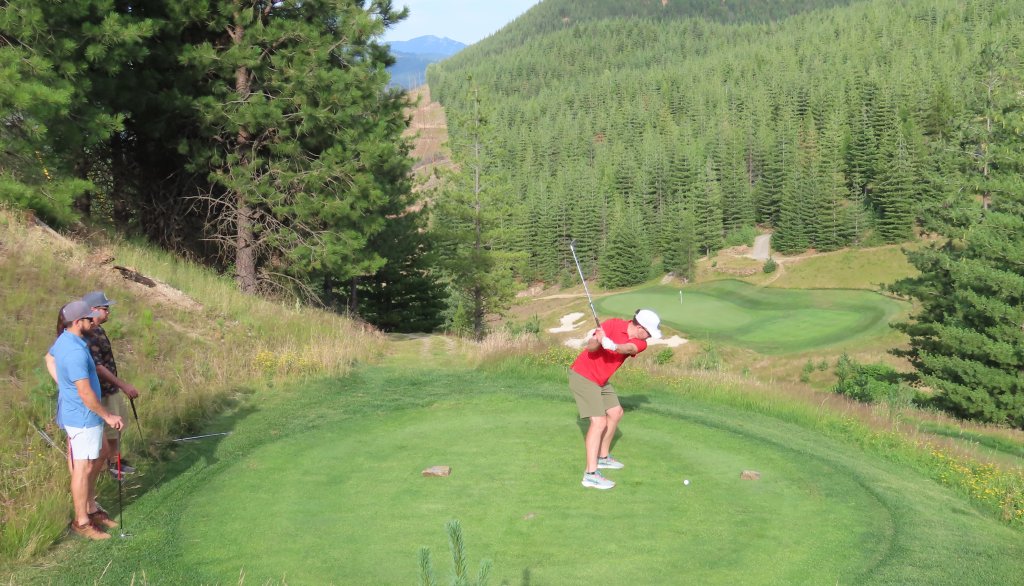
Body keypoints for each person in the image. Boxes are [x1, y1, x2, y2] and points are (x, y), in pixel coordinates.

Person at [45, 300, 125, 539]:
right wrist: (109, 416)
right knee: (83, 467)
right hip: (82, 417)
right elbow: (86, 393)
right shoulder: (74, 351)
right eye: (89, 319)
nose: (94, 321)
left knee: (100, 453)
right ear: (78, 322)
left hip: (84, 413)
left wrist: (63, 384)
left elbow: (48, 358)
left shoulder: (67, 340)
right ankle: (81, 521)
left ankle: (91, 507)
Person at [568, 309, 662, 489]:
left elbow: (627, 348)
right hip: (583, 376)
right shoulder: (612, 324)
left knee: (616, 412)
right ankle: (591, 475)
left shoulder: (640, 343)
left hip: (601, 381)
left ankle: (603, 458)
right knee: (598, 422)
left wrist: (610, 343)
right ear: (641, 328)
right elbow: (591, 347)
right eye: (649, 333)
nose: (649, 337)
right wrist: (597, 339)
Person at [81, 291, 141, 480]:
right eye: (105, 309)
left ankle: (116, 464)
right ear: (93, 310)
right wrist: (123, 385)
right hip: (100, 391)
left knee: (118, 427)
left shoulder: (98, 329)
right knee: (108, 431)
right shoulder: (87, 335)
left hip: (110, 389)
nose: (108, 312)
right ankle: (108, 469)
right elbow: (98, 367)